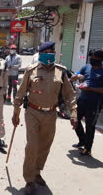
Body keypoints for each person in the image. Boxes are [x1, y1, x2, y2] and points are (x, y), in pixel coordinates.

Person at [12, 41, 77, 195]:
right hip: (33, 113)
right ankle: (29, 180)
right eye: (46, 51)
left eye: (52, 51)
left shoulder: (61, 71)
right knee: (32, 146)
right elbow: (20, 92)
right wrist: (16, 112)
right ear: (40, 54)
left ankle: (36, 172)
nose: (49, 54)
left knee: (45, 146)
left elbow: (69, 94)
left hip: (51, 114)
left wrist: (73, 112)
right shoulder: (31, 70)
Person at [70, 49, 103, 156]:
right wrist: (78, 76)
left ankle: (87, 149)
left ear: (100, 59)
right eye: (91, 57)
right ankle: (82, 140)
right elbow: (72, 78)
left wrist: (92, 89)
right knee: (75, 119)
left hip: (95, 103)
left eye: (94, 58)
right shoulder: (86, 67)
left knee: (90, 126)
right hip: (82, 99)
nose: (92, 59)